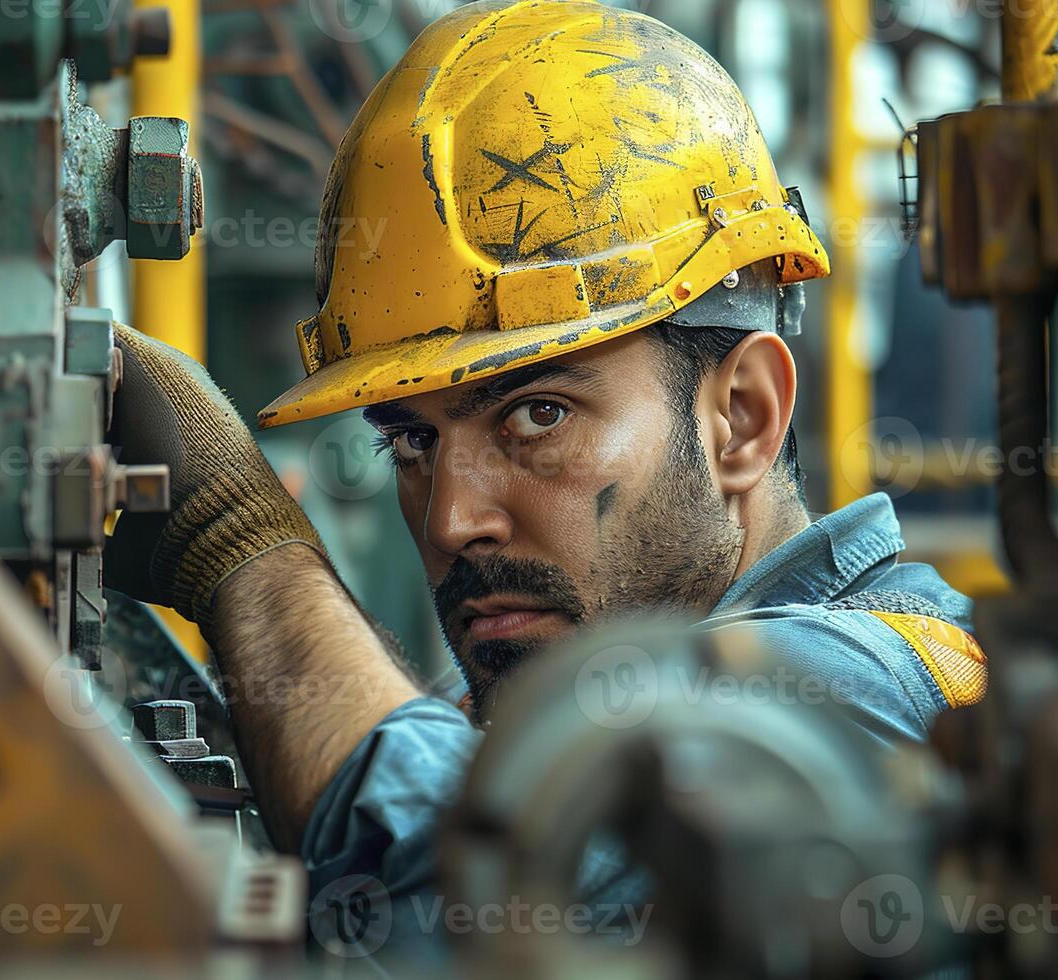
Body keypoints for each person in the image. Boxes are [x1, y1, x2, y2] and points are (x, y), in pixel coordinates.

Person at [102, 0, 987, 949]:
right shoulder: (520, 705)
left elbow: (470, 920)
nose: (450, 522)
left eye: (537, 416)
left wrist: (238, 543)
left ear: (742, 417)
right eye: (411, 442)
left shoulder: (871, 698)